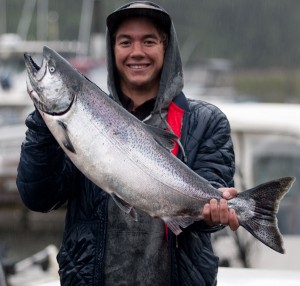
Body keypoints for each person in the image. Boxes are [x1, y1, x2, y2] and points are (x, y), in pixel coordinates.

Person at [17, 1, 239, 285]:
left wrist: (213, 214)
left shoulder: (205, 121)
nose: (137, 52)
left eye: (148, 41)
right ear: (113, 49)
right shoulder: (79, 120)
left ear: (166, 47)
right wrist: (43, 121)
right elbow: (38, 197)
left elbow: (209, 200)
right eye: (125, 42)